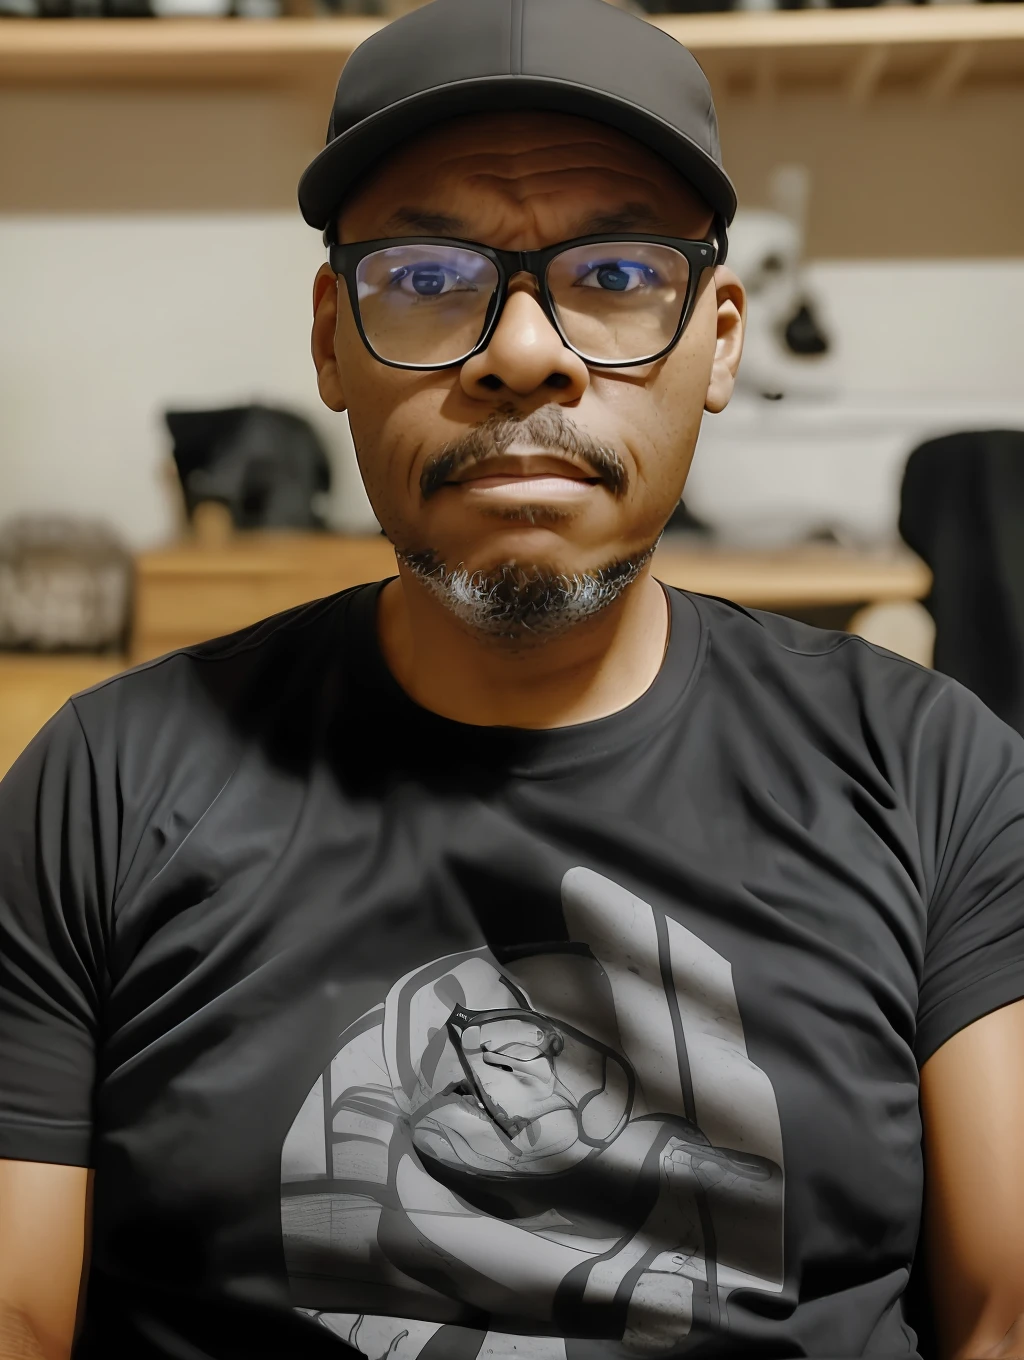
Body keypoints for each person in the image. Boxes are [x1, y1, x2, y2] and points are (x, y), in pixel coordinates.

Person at [0, 1, 1022, 1357]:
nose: (524, 351)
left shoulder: (931, 771)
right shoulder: (106, 788)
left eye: (612, 275)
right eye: (425, 277)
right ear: (329, 340)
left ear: (720, 339)